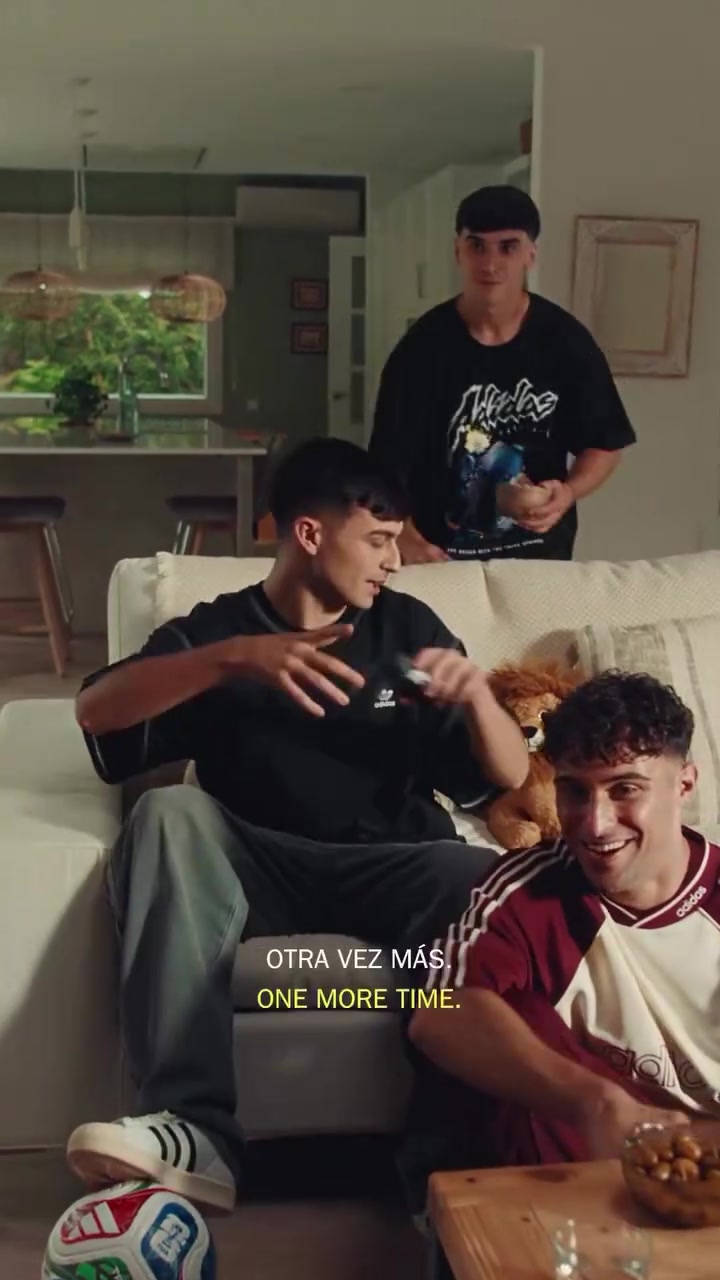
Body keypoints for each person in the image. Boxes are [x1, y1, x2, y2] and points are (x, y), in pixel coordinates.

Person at [66, 437, 529, 1214]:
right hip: (255, 868)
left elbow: (510, 778)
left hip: (391, 868)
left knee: (474, 876)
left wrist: (479, 697)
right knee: (169, 812)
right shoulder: (221, 631)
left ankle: (448, 1165)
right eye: (378, 540)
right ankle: (194, 1130)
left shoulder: (407, 626)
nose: (394, 561)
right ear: (311, 533)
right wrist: (230, 661)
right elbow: (95, 710)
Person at [405, 670, 720, 1211]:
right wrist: (594, 1103)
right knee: (505, 1013)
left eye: (625, 789)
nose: (595, 825)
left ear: (684, 785)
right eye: (575, 791)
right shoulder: (525, 887)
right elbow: (439, 1012)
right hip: (584, 1171)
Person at [369, 185, 636, 565]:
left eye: (507, 247)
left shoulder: (565, 341)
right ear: (458, 251)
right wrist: (403, 536)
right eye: (477, 246)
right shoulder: (421, 349)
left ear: (531, 254)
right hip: (438, 556)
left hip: (538, 559)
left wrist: (569, 492)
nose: (490, 263)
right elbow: (384, 464)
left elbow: (605, 443)